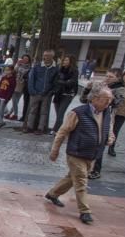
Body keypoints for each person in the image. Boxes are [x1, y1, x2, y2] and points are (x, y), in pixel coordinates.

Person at [45, 87, 115, 225]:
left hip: (93, 154)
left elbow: (109, 129)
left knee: (72, 178)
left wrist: (110, 138)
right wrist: (55, 150)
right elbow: (62, 132)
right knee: (81, 181)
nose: (108, 103)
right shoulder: (77, 113)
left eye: (110, 100)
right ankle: (85, 211)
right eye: (105, 100)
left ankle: (52, 194)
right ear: (94, 99)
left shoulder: (107, 113)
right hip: (76, 153)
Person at [24, 49, 58, 135]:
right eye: (44, 55)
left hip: (47, 94)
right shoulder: (37, 66)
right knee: (32, 110)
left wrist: (51, 92)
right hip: (35, 92)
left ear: (51, 57)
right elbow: (31, 78)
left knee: (44, 112)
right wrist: (32, 90)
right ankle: (29, 126)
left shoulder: (55, 68)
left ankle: (40, 128)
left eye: (47, 56)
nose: (45, 57)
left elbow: (55, 81)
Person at [51, 55, 79, 135]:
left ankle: (56, 130)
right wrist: (63, 82)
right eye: (64, 60)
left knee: (60, 113)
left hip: (67, 94)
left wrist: (61, 82)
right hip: (58, 94)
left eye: (66, 60)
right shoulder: (60, 70)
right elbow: (55, 80)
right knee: (58, 114)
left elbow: (71, 83)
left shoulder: (74, 71)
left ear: (71, 62)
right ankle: (59, 128)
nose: (64, 62)